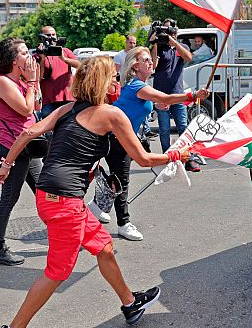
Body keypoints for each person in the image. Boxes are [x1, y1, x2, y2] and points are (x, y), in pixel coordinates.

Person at [0, 56, 189, 327]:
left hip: (49, 196)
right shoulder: (111, 114)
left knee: (104, 247)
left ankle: (130, 303)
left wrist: (6, 165)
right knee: (57, 272)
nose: (117, 82)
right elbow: (143, 158)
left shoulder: (68, 109)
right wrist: (176, 154)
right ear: (103, 82)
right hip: (64, 202)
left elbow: (28, 133)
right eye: (113, 77)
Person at [89, 47, 208, 240]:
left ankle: (96, 206)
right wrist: (193, 95)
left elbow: (154, 102)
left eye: (150, 59)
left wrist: (158, 105)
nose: (151, 62)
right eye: (146, 60)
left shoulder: (139, 86)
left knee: (117, 177)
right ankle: (123, 223)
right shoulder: (137, 86)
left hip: (120, 137)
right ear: (135, 65)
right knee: (122, 181)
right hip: (116, 138)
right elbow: (166, 97)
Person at [0, 37, 43, 266]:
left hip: (27, 146)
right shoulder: (3, 83)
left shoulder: (21, 81)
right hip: (12, 147)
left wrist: (35, 81)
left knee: (45, 190)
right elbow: (25, 108)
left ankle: (68, 235)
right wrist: (30, 82)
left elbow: (37, 106)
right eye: (23, 52)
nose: (28, 56)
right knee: (9, 199)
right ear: (13, 60)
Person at [150, 18, 201, 172]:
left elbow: (189, 58)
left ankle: (189, 159)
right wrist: (155, 43)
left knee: (183, 127)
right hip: (161, 94)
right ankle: (168, 158)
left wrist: (174, 42)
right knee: (164, 129)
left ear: (175, 31)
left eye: (169, 30)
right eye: (164, 30)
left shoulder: (181, 47)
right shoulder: (159, 47)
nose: (167, 34)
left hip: (178, 94)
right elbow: (153, 66)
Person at [35, 26, 80, 119]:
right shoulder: (38, 55)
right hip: (49, 100)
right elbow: (38, 77)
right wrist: (42, 58)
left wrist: (64, 59)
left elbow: (79, 65)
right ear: (41, 38)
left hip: (68, 97)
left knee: (68, 126)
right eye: (48, 35)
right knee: (48, 129)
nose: (51, 38)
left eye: (53, 35)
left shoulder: (65, 51)